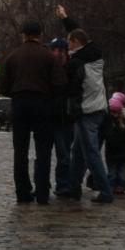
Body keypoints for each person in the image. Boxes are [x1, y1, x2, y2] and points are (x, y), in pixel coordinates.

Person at [0, 18, 67, 204]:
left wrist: (16, 92)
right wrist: (48, 94)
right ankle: (42, 193)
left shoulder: (12, 56)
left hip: (19, 103)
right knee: (43, 150)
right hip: (43, 104)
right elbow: (60, 83)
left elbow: (2, 85)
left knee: (20, 151)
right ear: (40, 35)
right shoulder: (48, 57)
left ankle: (22, 192)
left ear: (23, 35)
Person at [63, 26, 114, 204]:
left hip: (86, 110)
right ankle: (73, 187)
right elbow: (84, 38)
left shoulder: (77, 64)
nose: (68, 46)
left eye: (69, 42)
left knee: (91, 153)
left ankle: (105, 191)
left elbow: (71, 87)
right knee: (78, 151)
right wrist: (65, 19)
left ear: (76, 42)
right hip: (98, 107)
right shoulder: (96, 58)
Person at [48, 37, 74, 196]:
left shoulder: (71, 69)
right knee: (45, 155)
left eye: (60, 51)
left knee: (64, 154)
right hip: (50, 117)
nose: (57, 54)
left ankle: (63, 184)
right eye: (54, 50)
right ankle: (45, 185)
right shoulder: (47, 69)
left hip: (65, 118)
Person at [103, 98, 125, 195]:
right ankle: (114, 186)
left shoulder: (122, 121)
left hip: (121, 152)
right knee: (114, 171)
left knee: (121, 171)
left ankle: (119, 186)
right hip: (116, 151)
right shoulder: (108, 122)